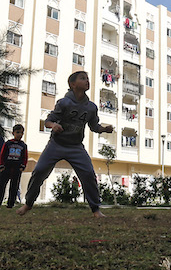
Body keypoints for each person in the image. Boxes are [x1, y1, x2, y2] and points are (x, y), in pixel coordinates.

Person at [18, 71, 113, 218]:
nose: (87, 81)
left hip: (76, 146)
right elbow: (48, 120)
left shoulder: (91, 107)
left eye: (88, 78)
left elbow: (94, 126)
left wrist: (104, 129)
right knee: (39, 171)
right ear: (72, 84)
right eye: (83, 78)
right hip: (56, 144)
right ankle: (28, 204)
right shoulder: (64, 103)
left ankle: (96, 209)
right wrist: (53, 125)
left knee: (88, 174)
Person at [0, 124, 29, 208]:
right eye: (18, 132)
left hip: (17, 168)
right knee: (1, 185)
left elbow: (25, 157)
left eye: (21, 133)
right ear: (13, 133)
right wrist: (1, 165)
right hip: (6, 167)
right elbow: (2, 155)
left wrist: (22, 166)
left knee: (14, 187)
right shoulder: (8, 144)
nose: (19, 135)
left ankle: (11, 204)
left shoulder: (23, 145)